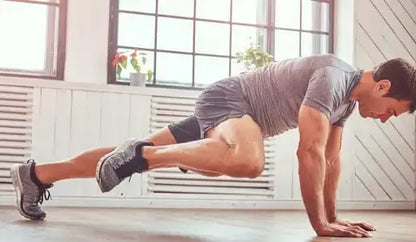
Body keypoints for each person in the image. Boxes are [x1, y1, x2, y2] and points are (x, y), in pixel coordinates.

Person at [10, 54, 415, 238]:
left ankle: (34, 175)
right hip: (231, 102)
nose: (386, 117)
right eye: (392, 110)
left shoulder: (346, 101)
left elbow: (331, 158)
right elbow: (308, 151)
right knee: (249, 161)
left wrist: (335, 218)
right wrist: (320, 226)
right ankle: (141, 157)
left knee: (126, 152)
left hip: (239, 116)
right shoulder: (333, 77)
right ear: (382, 87)